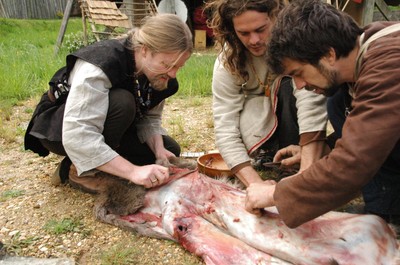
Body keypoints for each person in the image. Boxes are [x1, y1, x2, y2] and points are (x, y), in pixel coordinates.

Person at [245, 0, 400, 228]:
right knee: (338, 103)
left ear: (328, 54)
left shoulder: (390, 65)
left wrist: (275, 194)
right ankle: (388, 209)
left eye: (299, 73)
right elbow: (374, 126)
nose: (298, 85)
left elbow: (354, 162)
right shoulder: (365, 52)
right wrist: (327, 148)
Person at [24, 14, 193, 193]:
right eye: (167, 64)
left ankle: (79, 164)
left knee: (169, 149)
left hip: (105, 125)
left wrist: (159, 152)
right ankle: (81, 172)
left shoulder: (159, 75)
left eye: (178, 67)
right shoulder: (102, 63)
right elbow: (78, 134)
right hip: (59, 126)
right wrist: (133, 172)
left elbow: (149, 117)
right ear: (144, 50)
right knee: (123, 102)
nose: (173, 74)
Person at [204, 0, 328, 187]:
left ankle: (299, 159)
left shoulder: (298, 44)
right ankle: (265, 153)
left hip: (294, 119)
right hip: (257, 127)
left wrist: (307, 173)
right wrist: (254, 183)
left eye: (260, 29)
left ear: (276, 17)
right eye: (244, 33)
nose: (253, 40)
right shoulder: (227, 61)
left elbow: (311, 101)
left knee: (289, 85)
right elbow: (225, 123)